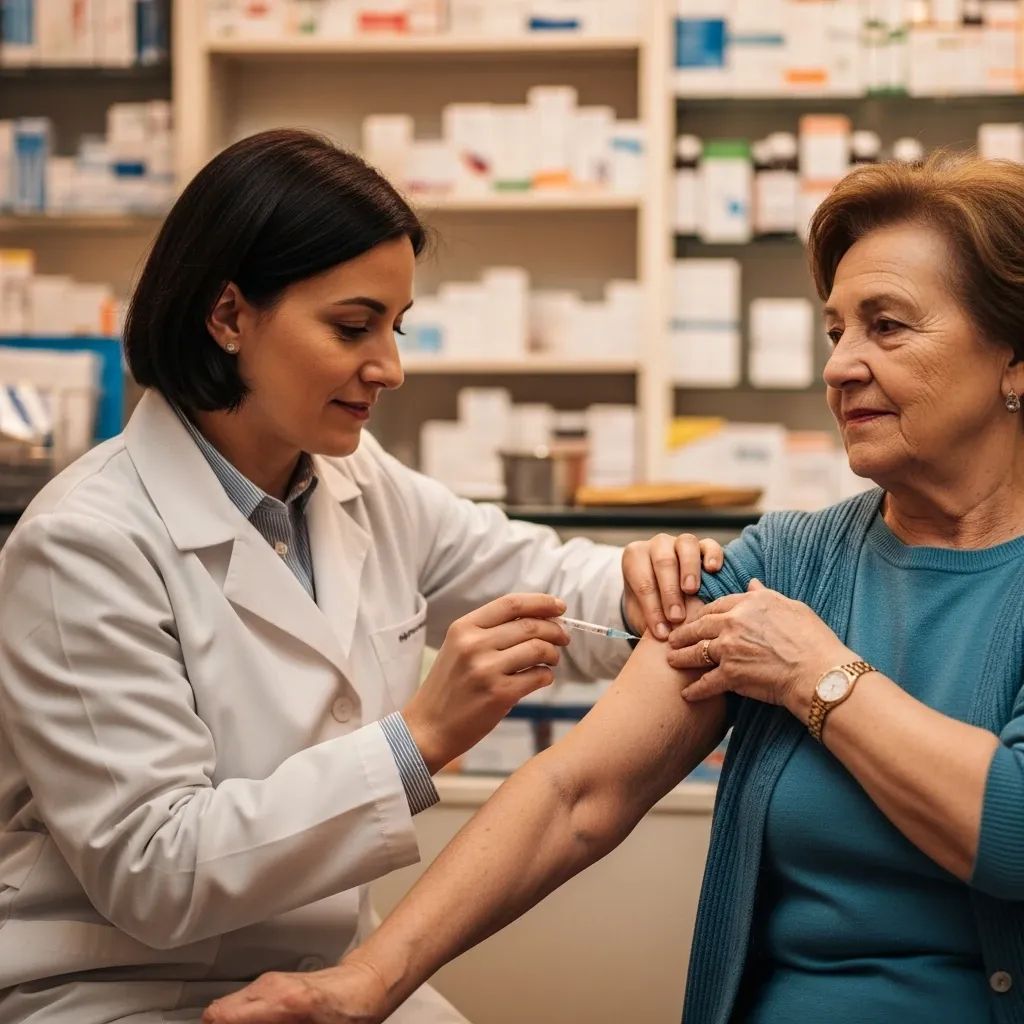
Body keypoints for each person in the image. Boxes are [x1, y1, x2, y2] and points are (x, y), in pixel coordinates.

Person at [205, 150, 1024, 1024]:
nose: (840, 367)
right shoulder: (788, 567)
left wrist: (818, 675)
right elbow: (576, 794)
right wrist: (368, 981)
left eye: (888, 327)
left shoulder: (795, 628)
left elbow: (1012, 834)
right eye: (835, 332)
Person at [0, 128, 726, 1024]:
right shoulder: (84, 542)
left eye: (396, 325)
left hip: (328, 964)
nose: (390, 366)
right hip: (117, 989)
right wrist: (417, 738)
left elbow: (536, 571)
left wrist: (650, 577)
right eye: (354, 327)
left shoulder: (352, 478)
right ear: (228, 316)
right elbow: (155, 868)